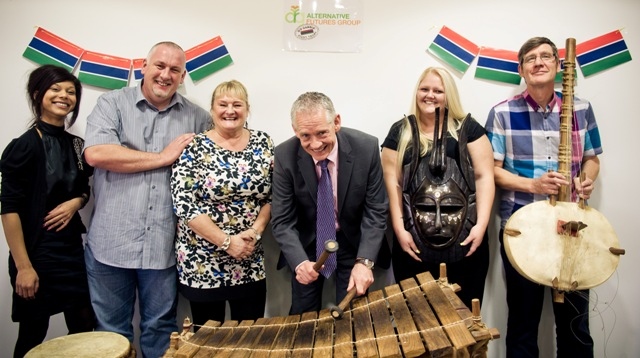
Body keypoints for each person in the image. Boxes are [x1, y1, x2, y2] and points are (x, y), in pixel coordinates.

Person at [83, 42, 211, 358]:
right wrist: (163, 157)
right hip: (110, 245)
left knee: (161, 332)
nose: (165, 75)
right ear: (144, 65)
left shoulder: (197, 116)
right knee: (111, 335)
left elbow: (222, 155)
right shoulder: (111, 104)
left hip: (163, 246)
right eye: (160, 66)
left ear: (183, 76)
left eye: (175, 70)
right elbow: (97, 153)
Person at [485, 37, 602, 357]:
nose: (539, 62)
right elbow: (491, 173)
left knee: (576, 325)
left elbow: (592, 159)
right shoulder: (501, 113)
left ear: (558, 66)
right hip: (523, 228)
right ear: (521, 69)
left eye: (546, 56)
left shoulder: (581, 108)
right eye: (531, 58)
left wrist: (586, 180)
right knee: (523, 322)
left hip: (573, 228)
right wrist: (533, 185)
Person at [1, 64, 95, 357]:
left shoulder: (79, 146)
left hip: (70, 251)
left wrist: (77, 201)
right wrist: (24, 267)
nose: (64, 96)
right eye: (56, 89)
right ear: (38, 93)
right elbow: (9, 209)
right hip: (35, 253)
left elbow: (85, 188)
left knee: (83, 325)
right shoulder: (23, 146)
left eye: (70, 91)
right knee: (33, 333)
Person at [380, 67, 494, 308]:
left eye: (438, 90)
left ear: (448, 94)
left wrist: (481, 226)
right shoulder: (400, 131)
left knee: (465, 323)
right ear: (416, 92)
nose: (429, 95)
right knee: (416, 322)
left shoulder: (470, 130)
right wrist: (399, 229)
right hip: (413, 245)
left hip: (466, 246)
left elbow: (484, 177)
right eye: (424, 89)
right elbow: (393, 182)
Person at [271, 91, 390, 314]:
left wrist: (364, 262)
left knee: (352, 315)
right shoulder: (284, 155)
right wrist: (299, 263)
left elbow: (375, 210)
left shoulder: (366, 147)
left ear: (336, 122)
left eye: (322, 133)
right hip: (307, 244)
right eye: (305, 136)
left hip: (352, 240)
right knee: (303, 316)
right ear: (295, 130)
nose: (315, 144)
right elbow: (282, 221)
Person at [170, 80, 273, 326]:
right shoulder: (193, 146)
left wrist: (255, 233)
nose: (230, 110)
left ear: (247, 110)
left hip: (248, 257)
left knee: (250, 336)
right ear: (212, 109)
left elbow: (274, 195)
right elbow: (184, 203)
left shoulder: (263, 142)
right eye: (223, 104)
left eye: (237, 104)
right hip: (202, 262)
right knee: (208, 340)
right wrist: (227, 242)